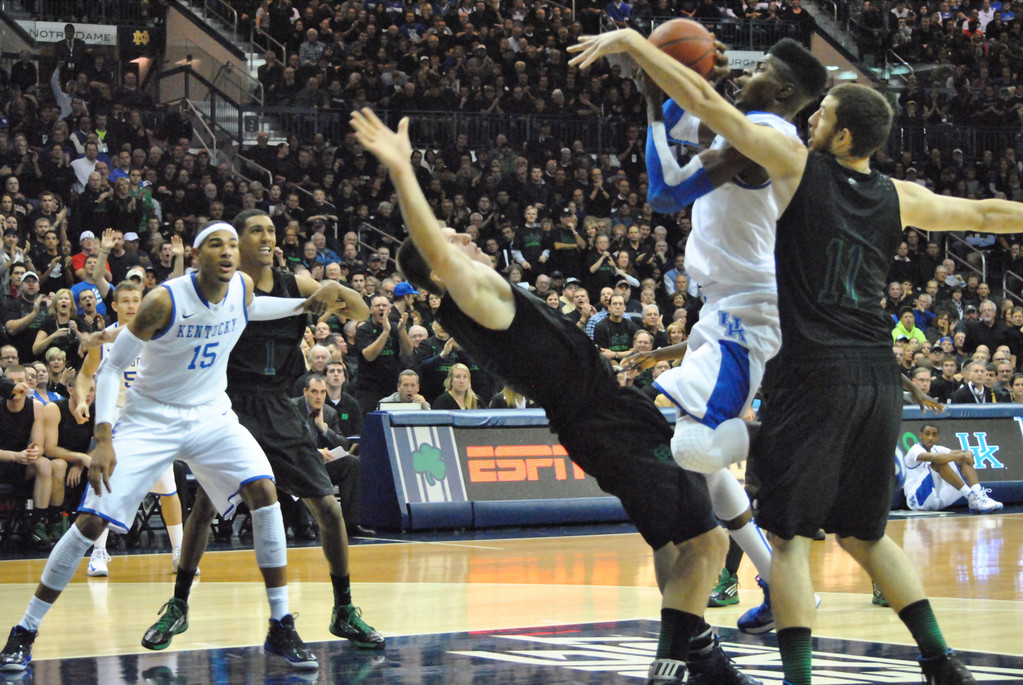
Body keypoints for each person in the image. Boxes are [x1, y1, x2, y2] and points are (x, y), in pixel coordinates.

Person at [568, 27, 1023, 685]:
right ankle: (941, 661)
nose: (812, 121)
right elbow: (983, 212)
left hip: (814, 373)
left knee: (788, 542)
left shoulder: (793, 163)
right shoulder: (901, 195)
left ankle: (796, 678)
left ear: (839, 138)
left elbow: (709, 108)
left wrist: (639, 48)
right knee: (866, 537)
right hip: (877, 374)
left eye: (824, 117)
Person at [351, 108, 760, 685]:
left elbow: (438, 255)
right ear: (441, 271)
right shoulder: (478, 296)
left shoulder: (481, 302)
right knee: (709, 543)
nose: (465, 236)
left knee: (673, 540)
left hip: (601, 422)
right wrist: (401, 170)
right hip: (607, 422)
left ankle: (703, 659)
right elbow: (435, 255)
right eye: (451, 237)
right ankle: (673, 668)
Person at [0, 222, 342, 673]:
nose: (227, 251)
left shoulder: (239, 287)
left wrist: (305, 302)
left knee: (264, 491)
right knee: (88, 522)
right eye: (216, 244)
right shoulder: (165, 300)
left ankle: (280, 624)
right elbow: (110, 366)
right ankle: (24, 630)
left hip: (210, 415)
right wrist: (103, 436)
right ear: (196, 255)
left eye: (232, 245)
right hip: (150, 419)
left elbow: (254, 308)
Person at [630, 38, 827, 635]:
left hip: (747, 312)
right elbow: (682, 116)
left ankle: (783, 441)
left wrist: (649, 101)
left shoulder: (765, 133)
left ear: (785, 91)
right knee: (695, 452)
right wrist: (670, 84)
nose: (746, 71)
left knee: (687, 444)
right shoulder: (745, 122)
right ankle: (773, 575)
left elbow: (666, 189)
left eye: (761, 68)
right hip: (725, 309)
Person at [139, 209, 383, 652]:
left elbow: (362, 310)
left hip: (280, 406)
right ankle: (178, 605)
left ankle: (344, 609)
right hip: (230, 406)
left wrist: (336, 287)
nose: (267, 237)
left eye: (271, 230)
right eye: (256, 231)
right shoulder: (225, 288)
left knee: (327, 507)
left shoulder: (295, 284)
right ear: (237, 241)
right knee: (204, 510)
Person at [70, 280, 187, 577]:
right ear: (115, 305)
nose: (132, 305)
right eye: (126, 301)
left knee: (167, 487)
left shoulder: (157, 333)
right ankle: (99, 552)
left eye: (137, 300)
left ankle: (179, 552)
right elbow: (84, 376)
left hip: (150, 418)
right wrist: (82, 400)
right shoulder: (105, 339)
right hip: (116, 418)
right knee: (107, 481)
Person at [902, 424, 1002, 513]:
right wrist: (961, 456)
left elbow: (963, 452)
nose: (930, 438)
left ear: (937, 437)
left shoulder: (937, 448)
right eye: (927, 434)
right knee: (939, 462)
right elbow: (935, 458)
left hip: (937, 497)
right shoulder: (914, 450)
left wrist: (967, 453)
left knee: (963, 460)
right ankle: (971, 497)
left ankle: (979, 496)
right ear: (920, 435)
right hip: (916, 500)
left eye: (934, 434)